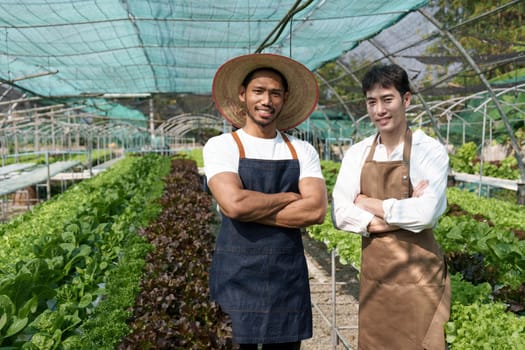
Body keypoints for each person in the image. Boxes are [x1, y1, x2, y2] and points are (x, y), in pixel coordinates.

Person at [203, 53, 328, 349]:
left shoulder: (301, 150)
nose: (266, 100)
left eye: (274, 93)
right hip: (236, 274)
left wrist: (247, 208)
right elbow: (233, 203)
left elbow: (316, 210)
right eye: (258, 91)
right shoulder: (221, 146)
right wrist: (287, 197)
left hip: (286, 277)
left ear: (284, 98)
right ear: (243, 94)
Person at [332, 64, 451, 349]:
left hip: (421, 278)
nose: (379, 110)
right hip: (378, 280)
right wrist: (402, 209)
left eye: (387, 99)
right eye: (372, 102)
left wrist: (367, 203)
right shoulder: (357, 153)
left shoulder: (428, 149)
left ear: (405, 100)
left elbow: (425, 214)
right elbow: (340, 212)